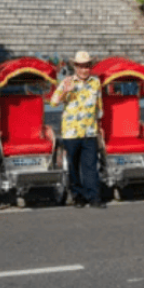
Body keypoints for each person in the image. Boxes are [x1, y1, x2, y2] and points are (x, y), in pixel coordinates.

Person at [50, 50, 104, 207]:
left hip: (89, 130)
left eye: (86, 66)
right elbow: (53, 102)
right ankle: (77, 195)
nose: (84, 70)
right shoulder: (67, 82)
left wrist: (100, 125)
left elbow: (98, 106)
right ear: (75, 67)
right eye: (80, 66)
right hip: (71, 131)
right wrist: (64, 93)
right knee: (73, 165)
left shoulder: (95, 82)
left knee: (91, 166)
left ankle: (94, 197)